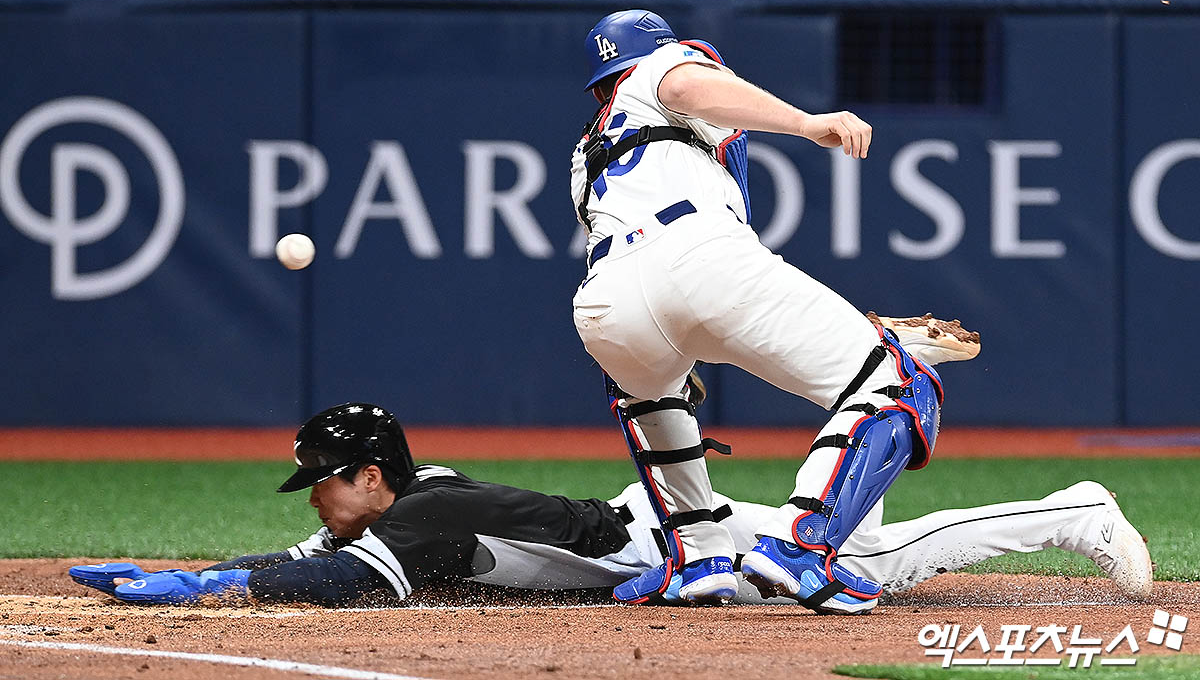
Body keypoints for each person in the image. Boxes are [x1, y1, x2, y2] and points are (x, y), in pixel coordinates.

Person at [68, 330, 1154, 608]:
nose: (315, 497)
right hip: (644, 527)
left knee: (881, 556)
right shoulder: (408, 499)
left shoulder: (419, 523)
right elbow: (318, 550)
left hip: (676, 540)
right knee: (872, 551)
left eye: (324, 479)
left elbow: (327, 579)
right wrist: (216, 568)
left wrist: (215, 584)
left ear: (369, 475)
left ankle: (1073, 509)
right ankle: (1064, 508)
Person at [570, 9, 955, 613]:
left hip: (606, 300)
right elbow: (684, 83)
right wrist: (807, 122)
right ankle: (803, 547)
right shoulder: (658, 72)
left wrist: (672, 341)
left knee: (653, 399)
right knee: (898, 382)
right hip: (696, 254)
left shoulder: (588, 151)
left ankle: (696, 561)